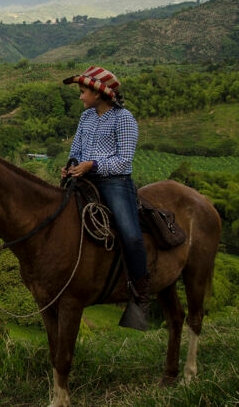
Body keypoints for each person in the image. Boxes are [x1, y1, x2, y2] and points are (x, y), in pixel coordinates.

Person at [60, 66, 150, 331]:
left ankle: (141, 296)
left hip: (113, 181)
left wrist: (92, 165)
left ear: (99, 94)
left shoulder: (124, 119)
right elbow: (75, 149)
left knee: (130, 234)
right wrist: (70, 166)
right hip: (82, 177)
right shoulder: (86, 117)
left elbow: (124, 161)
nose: (80, 97)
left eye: (83, 91)